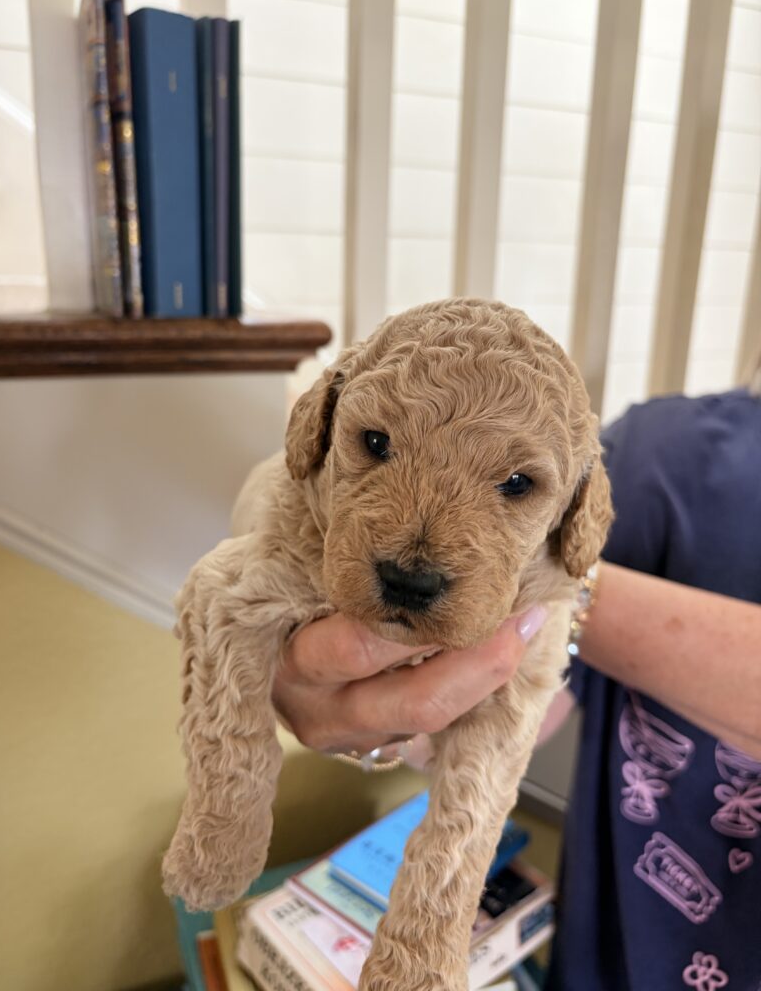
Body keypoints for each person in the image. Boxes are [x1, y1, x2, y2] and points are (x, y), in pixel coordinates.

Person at [272, 371, 761, 990]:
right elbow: (479, 718)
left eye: (515, 485)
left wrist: (559, 586)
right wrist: (372, 723)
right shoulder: (663, 450)